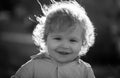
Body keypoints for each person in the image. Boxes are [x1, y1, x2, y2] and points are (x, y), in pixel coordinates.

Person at [11, 0, 95, 78]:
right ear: (45, 38)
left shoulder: (85, 71)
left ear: (83, 43)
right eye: (58, 38)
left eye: (72, 40)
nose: (65, 45)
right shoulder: (33, 67)